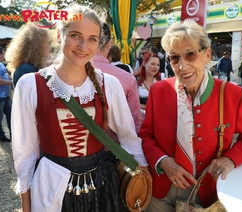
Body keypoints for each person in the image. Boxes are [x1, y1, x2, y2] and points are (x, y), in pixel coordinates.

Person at [12, 4, 150, 212]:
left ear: (98, 43)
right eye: (75, 35)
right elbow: (25, 155)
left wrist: (142, 181)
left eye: (92, 39)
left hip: (103, 186)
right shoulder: (30, 85)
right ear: (60, 36)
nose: (84, 46)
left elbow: (129, 139)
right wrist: (26, 206)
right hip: (50, 189)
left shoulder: (109, 85)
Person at [139, 19, 242, 211]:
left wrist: (230, 159)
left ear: (206, 55)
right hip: (161, 191)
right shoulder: (159, 90)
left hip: (206, 191)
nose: (182, 66)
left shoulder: (230, 94)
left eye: (190, 55)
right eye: (174, 58)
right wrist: (163, 161)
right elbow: (146, 135)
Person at [91, 22, 142, 133]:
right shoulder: (126, 78)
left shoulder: (65, 76)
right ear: (109, 44)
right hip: (117, 147)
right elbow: (135, 122)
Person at [5, 22, 51, 87]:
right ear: (38, 46)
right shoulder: (26, 69)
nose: (50, 47)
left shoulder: (27, 67)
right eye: (48, 42)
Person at [0, 46, 13, 142]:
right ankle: (0, 136)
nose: (4, 56)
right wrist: (13, 82)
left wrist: (13, 78)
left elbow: (6, 76)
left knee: (10, 115)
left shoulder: (1, 65)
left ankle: (13, 134)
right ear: (0, 54)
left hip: (5, 96)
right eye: (3, 54)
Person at [133, 52, 161, 118]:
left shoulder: (160, 80)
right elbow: (131, 103)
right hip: (140, 119)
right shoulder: (135, 81)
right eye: (153, 64)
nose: (156, 67)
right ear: (144, 63)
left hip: (157, 119)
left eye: (158, 65)